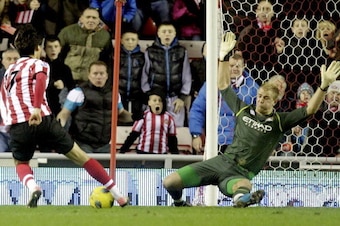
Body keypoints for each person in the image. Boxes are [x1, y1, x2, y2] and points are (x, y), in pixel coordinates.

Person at [162, 31, 340, 208]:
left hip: (240, 174)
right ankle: (179, 203)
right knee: (170, 182)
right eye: (260, 96)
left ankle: (242, 201)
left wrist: (323, 86)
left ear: (276, 100)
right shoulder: (243, 110)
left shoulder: (280, 121)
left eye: (266, 98)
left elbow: (310, 109)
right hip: (221, 162)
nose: (261, 99)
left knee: (244, 186)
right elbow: (224, 85)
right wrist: (223, 58)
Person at [0, 24, 129, 207]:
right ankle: (118, 195)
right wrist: (36, 107)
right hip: (43, 118)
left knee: (21, 162)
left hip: (19, 124)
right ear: (38, 48)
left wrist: (8, 123)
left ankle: (33, 187)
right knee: (81, 157)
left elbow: (5, 99)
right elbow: (41, 81)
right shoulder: (40, 64)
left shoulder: (8, 73)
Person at [57, 61, 133, 153]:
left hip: (105, 144)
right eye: (95, 73)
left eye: (101, 73)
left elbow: (121, 114)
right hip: (82, 143)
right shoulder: (77, 92)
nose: (98, 76)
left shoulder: (114, 94)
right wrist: (58, 129)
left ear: (107, 75)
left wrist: (136, 117)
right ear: (89, 75)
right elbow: (64, 114)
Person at [189, 53, 258, 154]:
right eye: (231, 65)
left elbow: (261, 116)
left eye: (238, 66)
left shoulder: (253, 88)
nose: (235, 68)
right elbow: (197, 109)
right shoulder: (212, 84)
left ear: (244, 67)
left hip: (243, 143)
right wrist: (196, 134)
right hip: (216, 141)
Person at [141, 21, 192, 127]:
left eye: (170, 31)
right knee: (154, 129)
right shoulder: (150, 51)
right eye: (164, 32)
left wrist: (182, 97)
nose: (167, 34)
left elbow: (186, 75)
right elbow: (144, 75)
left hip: (175, 99)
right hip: (156, 99)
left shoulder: (182, 51)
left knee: (176, 131)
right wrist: (149, 96)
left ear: (175, 34)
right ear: (158, 34)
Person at [279, 18, 328, 111]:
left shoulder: (315, 44)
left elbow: (320, 65)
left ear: (308, 28)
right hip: (291, 85)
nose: (300, 28)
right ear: (292, 29)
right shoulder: (286, 45)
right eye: (297, 26)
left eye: (303, 25)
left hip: (311, 82)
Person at [58, 7, 112, 84]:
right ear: (82, 18)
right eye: (88, 17)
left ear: (98, 20)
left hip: (90, 81)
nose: (91, 20)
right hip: (68, 78)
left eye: (94, 18)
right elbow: (58, 55)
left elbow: (106, 59)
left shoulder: (105, 36)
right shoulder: (67, 32)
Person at [236, 0, 285, 84]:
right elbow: (238, 51)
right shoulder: (249, 30)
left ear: (273, 13)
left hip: (271, 71)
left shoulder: (278, 32)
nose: (265, 12)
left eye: (267, 9)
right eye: (262, 9)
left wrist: (279, 51)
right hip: (251, 71)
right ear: (257, 12)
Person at [119, 88, 179, 154]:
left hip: (161, 154)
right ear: (149, 103)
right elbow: (133, 135)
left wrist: (175, 154)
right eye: (154, 100)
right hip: (143, 152)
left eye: (160, 101)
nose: (157, 103)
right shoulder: (143, 116)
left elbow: (172, 139)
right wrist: (123, 150)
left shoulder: (169, 118)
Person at [303, 80, 340, 157]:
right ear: (326, 95)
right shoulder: (317, 112)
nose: (335, 96)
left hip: (335, 157)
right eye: (333, 93)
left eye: (339, 94)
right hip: (314, 154)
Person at [279, 83, 314, 156]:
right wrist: (293, 130)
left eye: (308, 93)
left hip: (309, 146)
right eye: (303, 93)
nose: (306, 95)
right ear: (299, 95)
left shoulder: (316, 112)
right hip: (291, 146)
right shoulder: (292, 110)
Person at [118, 28, 145, 123]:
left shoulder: (143, 57)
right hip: (120, 94)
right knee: (120, 121)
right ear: (121, 40)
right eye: (127, 39)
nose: (130, 42)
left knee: (138, 122)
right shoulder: (116, 55)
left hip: (137, 95)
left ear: (137, 41)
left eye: (133, 39)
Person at [44, 35, 75, 117]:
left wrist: (64, 85)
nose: (53, 49)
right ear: (45, 49)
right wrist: (53, 84)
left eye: (56, 46)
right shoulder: (40, 66)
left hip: (59, 106)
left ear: (60, 48)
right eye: (49, 47)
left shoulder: (65, 69)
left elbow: (71, 88)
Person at [0, 48, 20, 152]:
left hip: (19, 130)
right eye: (9, 59)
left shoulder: (28, 79)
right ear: (2, 61)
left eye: (16, 59)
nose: (12, 62)